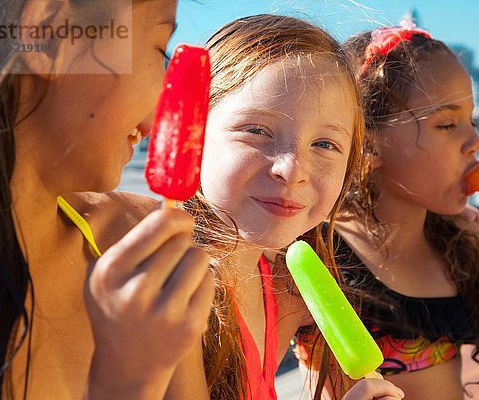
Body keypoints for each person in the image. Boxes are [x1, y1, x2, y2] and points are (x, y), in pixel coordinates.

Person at [295, 22, 479, 399]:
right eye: (447, 124)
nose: (475, 142)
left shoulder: (462, 243)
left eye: (472, 120)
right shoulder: (315, 251)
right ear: (367, 143)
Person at [163, 14, 405, 400]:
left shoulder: (278, 290)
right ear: (191, 130)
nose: (292, 171)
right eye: (257, 131)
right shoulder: (168, 294)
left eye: (325, 144)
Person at [0, 1, 214, 399]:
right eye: (160, 48)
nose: (164, 102)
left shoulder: (131, 245)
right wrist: (128, 384)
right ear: (52, 32)